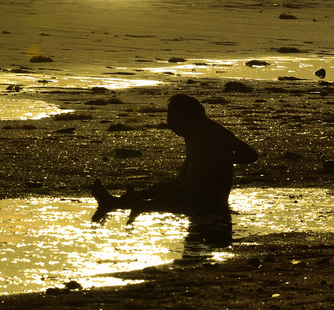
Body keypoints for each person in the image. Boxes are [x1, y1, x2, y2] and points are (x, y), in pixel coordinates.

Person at [91, 94, 258, 243]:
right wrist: (182, 175)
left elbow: (251, 154)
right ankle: (116, 201)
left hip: (210, 196)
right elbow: (193, 159)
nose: (172, 126)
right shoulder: (191, 132)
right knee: (161, 188)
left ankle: (142, 205)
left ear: (190, 119)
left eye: (175, 121)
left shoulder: (216, 133)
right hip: (191, 187)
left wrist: (225, 158)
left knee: (170, 196)